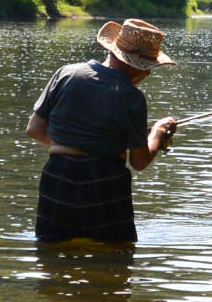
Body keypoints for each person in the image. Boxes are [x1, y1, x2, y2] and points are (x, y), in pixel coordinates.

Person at [27, 19, 180, 243]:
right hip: (106, 182)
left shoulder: (66, 74)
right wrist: (157, 133)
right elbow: (139, 161)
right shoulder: (132, 97)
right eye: (148, 68)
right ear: (136, 66)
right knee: (117, 253)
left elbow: (34, 129)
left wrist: (71, 145)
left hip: (57, 177)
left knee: (51, 250)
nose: (148, 75)